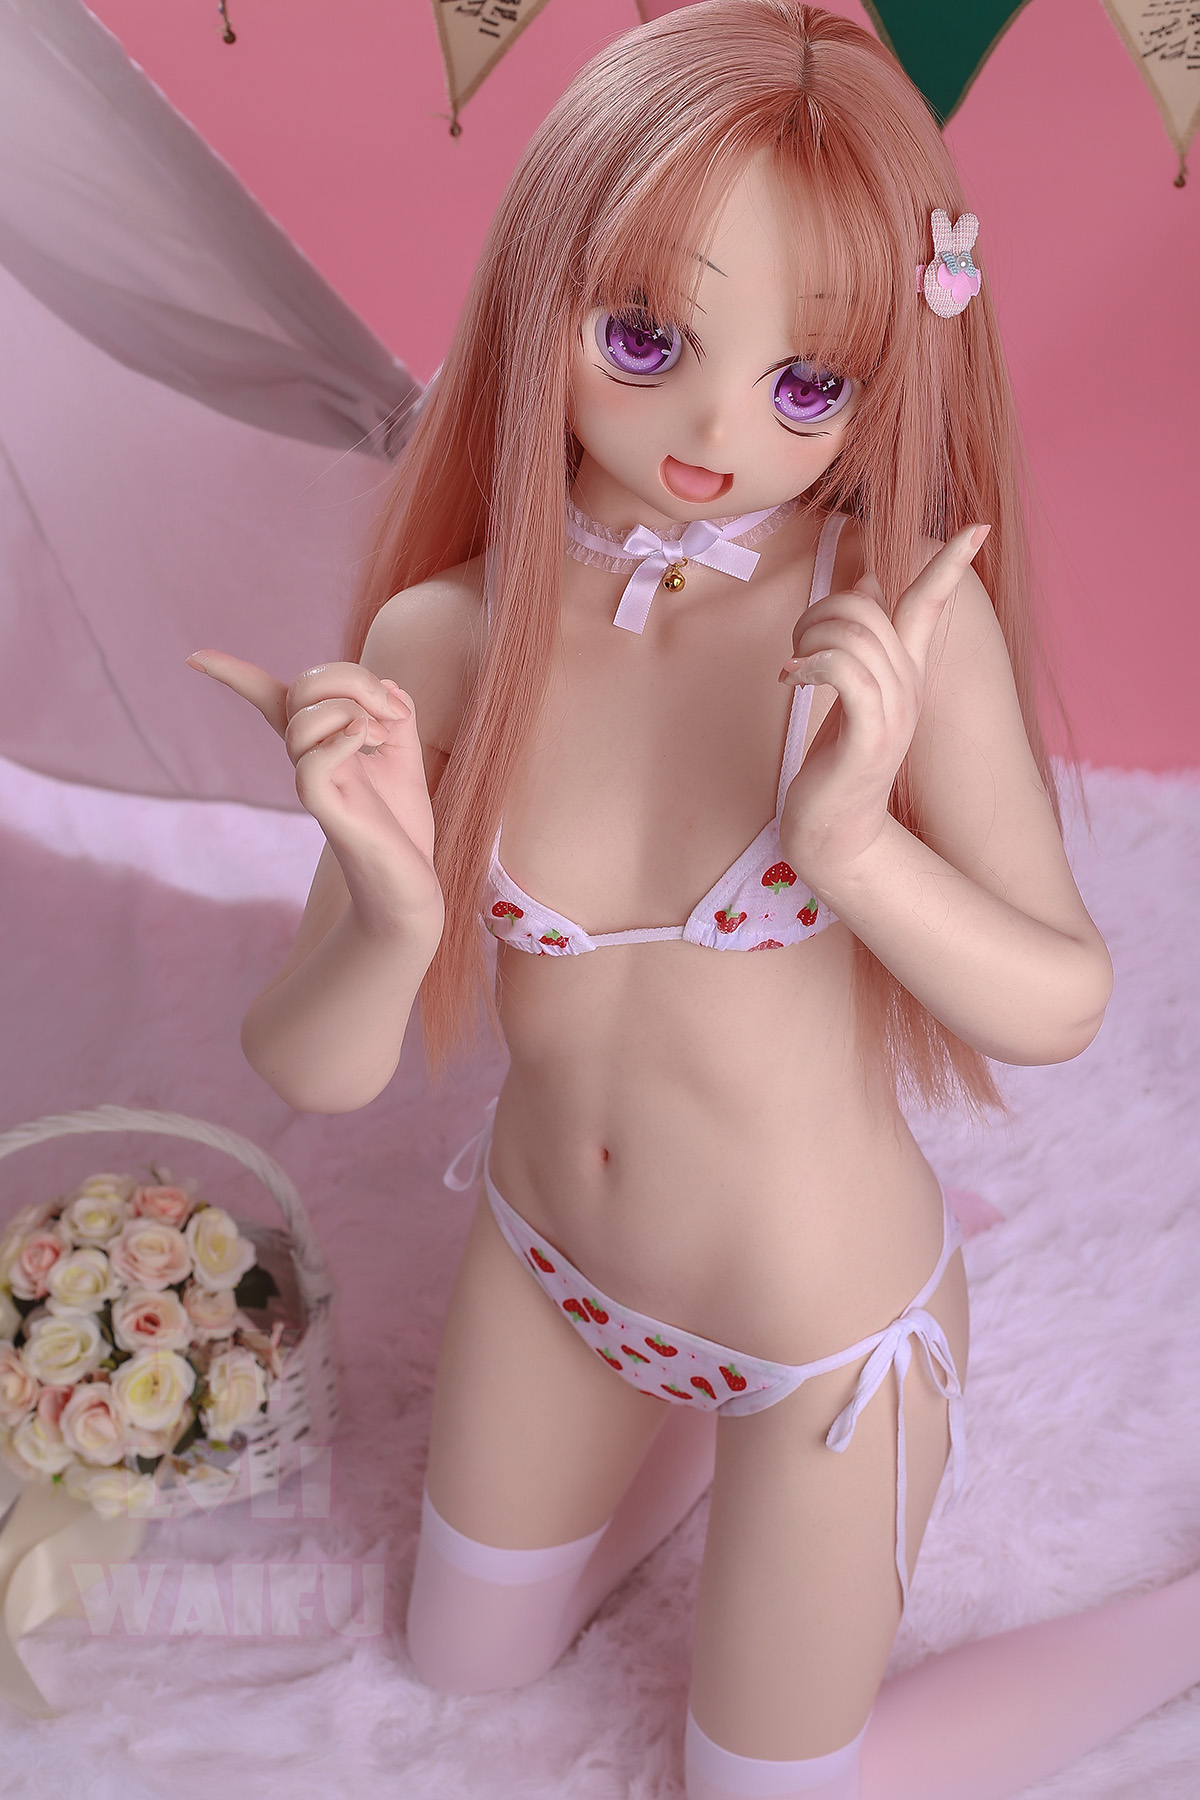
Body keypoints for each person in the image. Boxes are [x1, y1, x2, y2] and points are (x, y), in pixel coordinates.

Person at [188, 6, 1200, 1794]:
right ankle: (673, 1458)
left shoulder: (895, 627)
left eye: (810, 383)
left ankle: (1179, 1621)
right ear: (543, 296)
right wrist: (394, 910)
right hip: (550, 1275)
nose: (718, 429)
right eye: (646, 338)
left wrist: (857, 850)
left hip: (823, 1334)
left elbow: (1061, 1002)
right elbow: (316, 1067)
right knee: (459, 1665)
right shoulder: (447, 632)